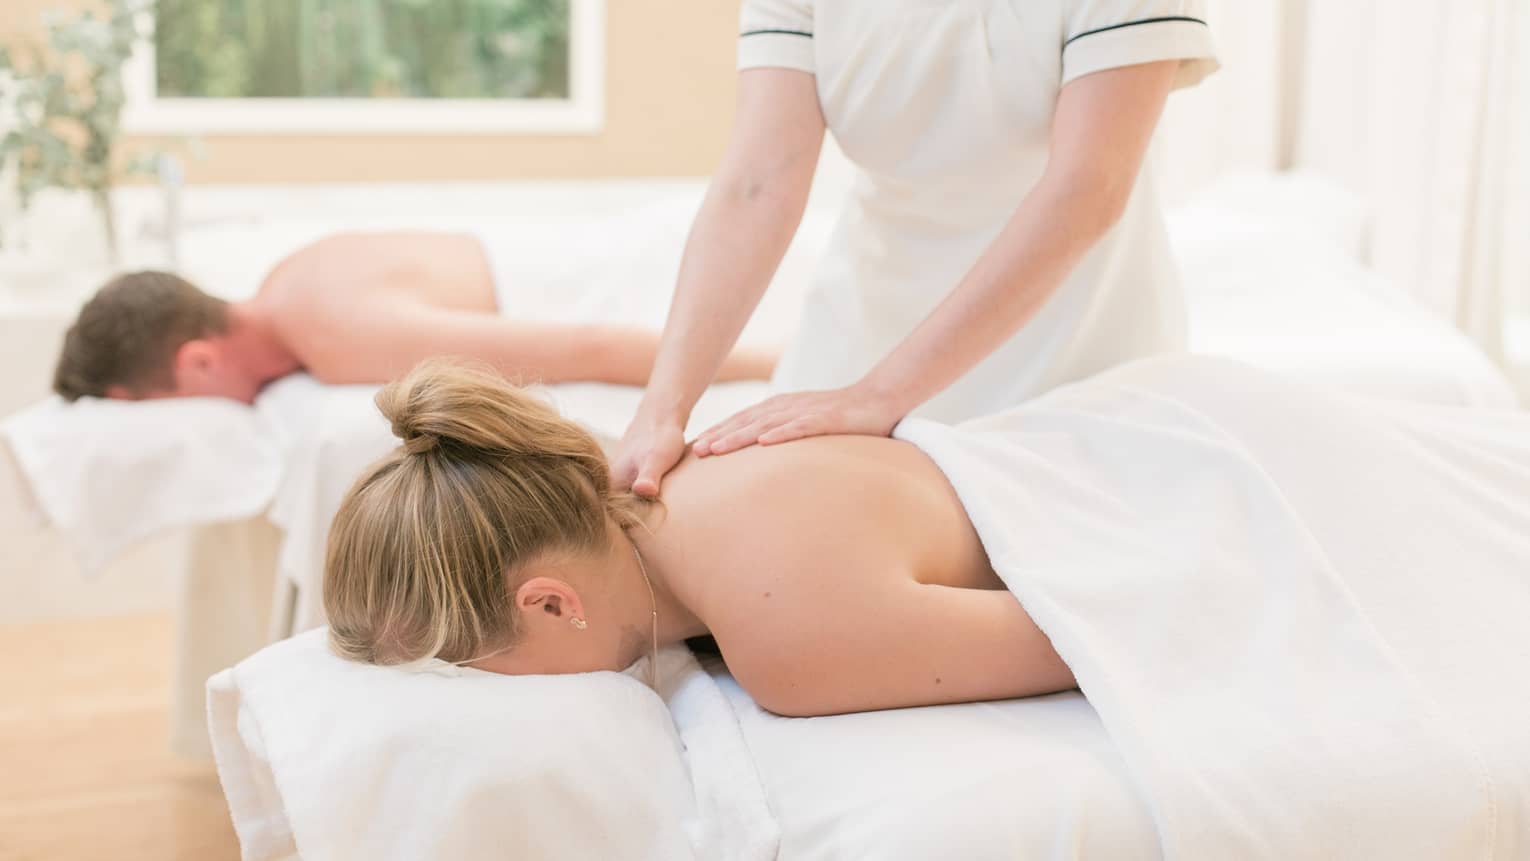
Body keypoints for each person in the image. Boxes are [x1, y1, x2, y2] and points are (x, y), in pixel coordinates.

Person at [321, 358, 1530, 720]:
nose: (483, 699)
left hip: (1229, 473)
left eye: (470, 671)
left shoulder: (789, 644)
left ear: (548, 604)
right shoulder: (688, 476)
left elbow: (1118, 624)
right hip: (1175, 403)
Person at [613, 1, 1219, 498]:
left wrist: (882, 396)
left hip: (1073, 350)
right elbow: (757, 185)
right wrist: (661, 412)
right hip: (861, 340)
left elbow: (1087, 190)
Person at [51, 231, 776, 404]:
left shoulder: (336, 334)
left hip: (647, 271)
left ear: (197, 362)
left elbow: (591, 345)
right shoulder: (289, 278)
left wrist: (789, 367)